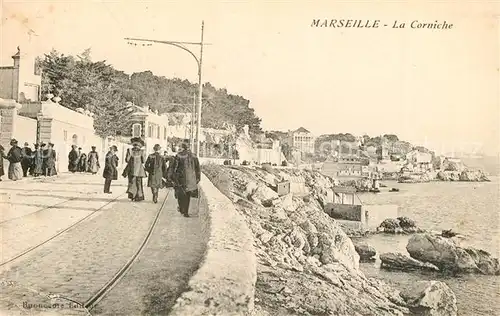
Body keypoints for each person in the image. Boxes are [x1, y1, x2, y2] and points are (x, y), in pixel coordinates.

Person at [169, 141, 201, 217]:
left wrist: (172, 176)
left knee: (180, 194)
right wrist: (197, 178)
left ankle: (181, 208)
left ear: (182, 148)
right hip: (191, 178)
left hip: (180, 178)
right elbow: (198, 168)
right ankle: (186, 212)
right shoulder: (194, 156)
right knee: (187, 195)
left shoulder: (179, 155)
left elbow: (175, 167)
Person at [122, 137, 147, 201]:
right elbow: (143, 161)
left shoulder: (129, 150)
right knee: (139, 183)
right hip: (139, 170)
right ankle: (139, 196)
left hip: (131, 169)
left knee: (131, 182)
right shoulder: (142, 151)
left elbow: (127, 160)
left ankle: (132, 196)